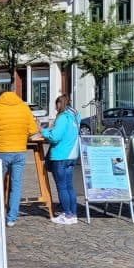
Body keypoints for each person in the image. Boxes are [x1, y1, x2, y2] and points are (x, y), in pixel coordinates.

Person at [0, 91, 38, 227]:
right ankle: (11, 218)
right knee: (16, 185)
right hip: (19, 151)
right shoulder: (24, 108)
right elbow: (32, 130)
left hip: (1, 151)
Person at [41, 94, 80, 225]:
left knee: (62, 187)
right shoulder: (75, 116)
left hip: (60, 155)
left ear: (59, 104)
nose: (55, 108)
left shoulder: (63, 117)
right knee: (69, 187)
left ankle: (67, 214)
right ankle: (73, 214)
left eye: (56, 105)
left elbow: (55, 137)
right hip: (72, 155)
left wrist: (43, 131)